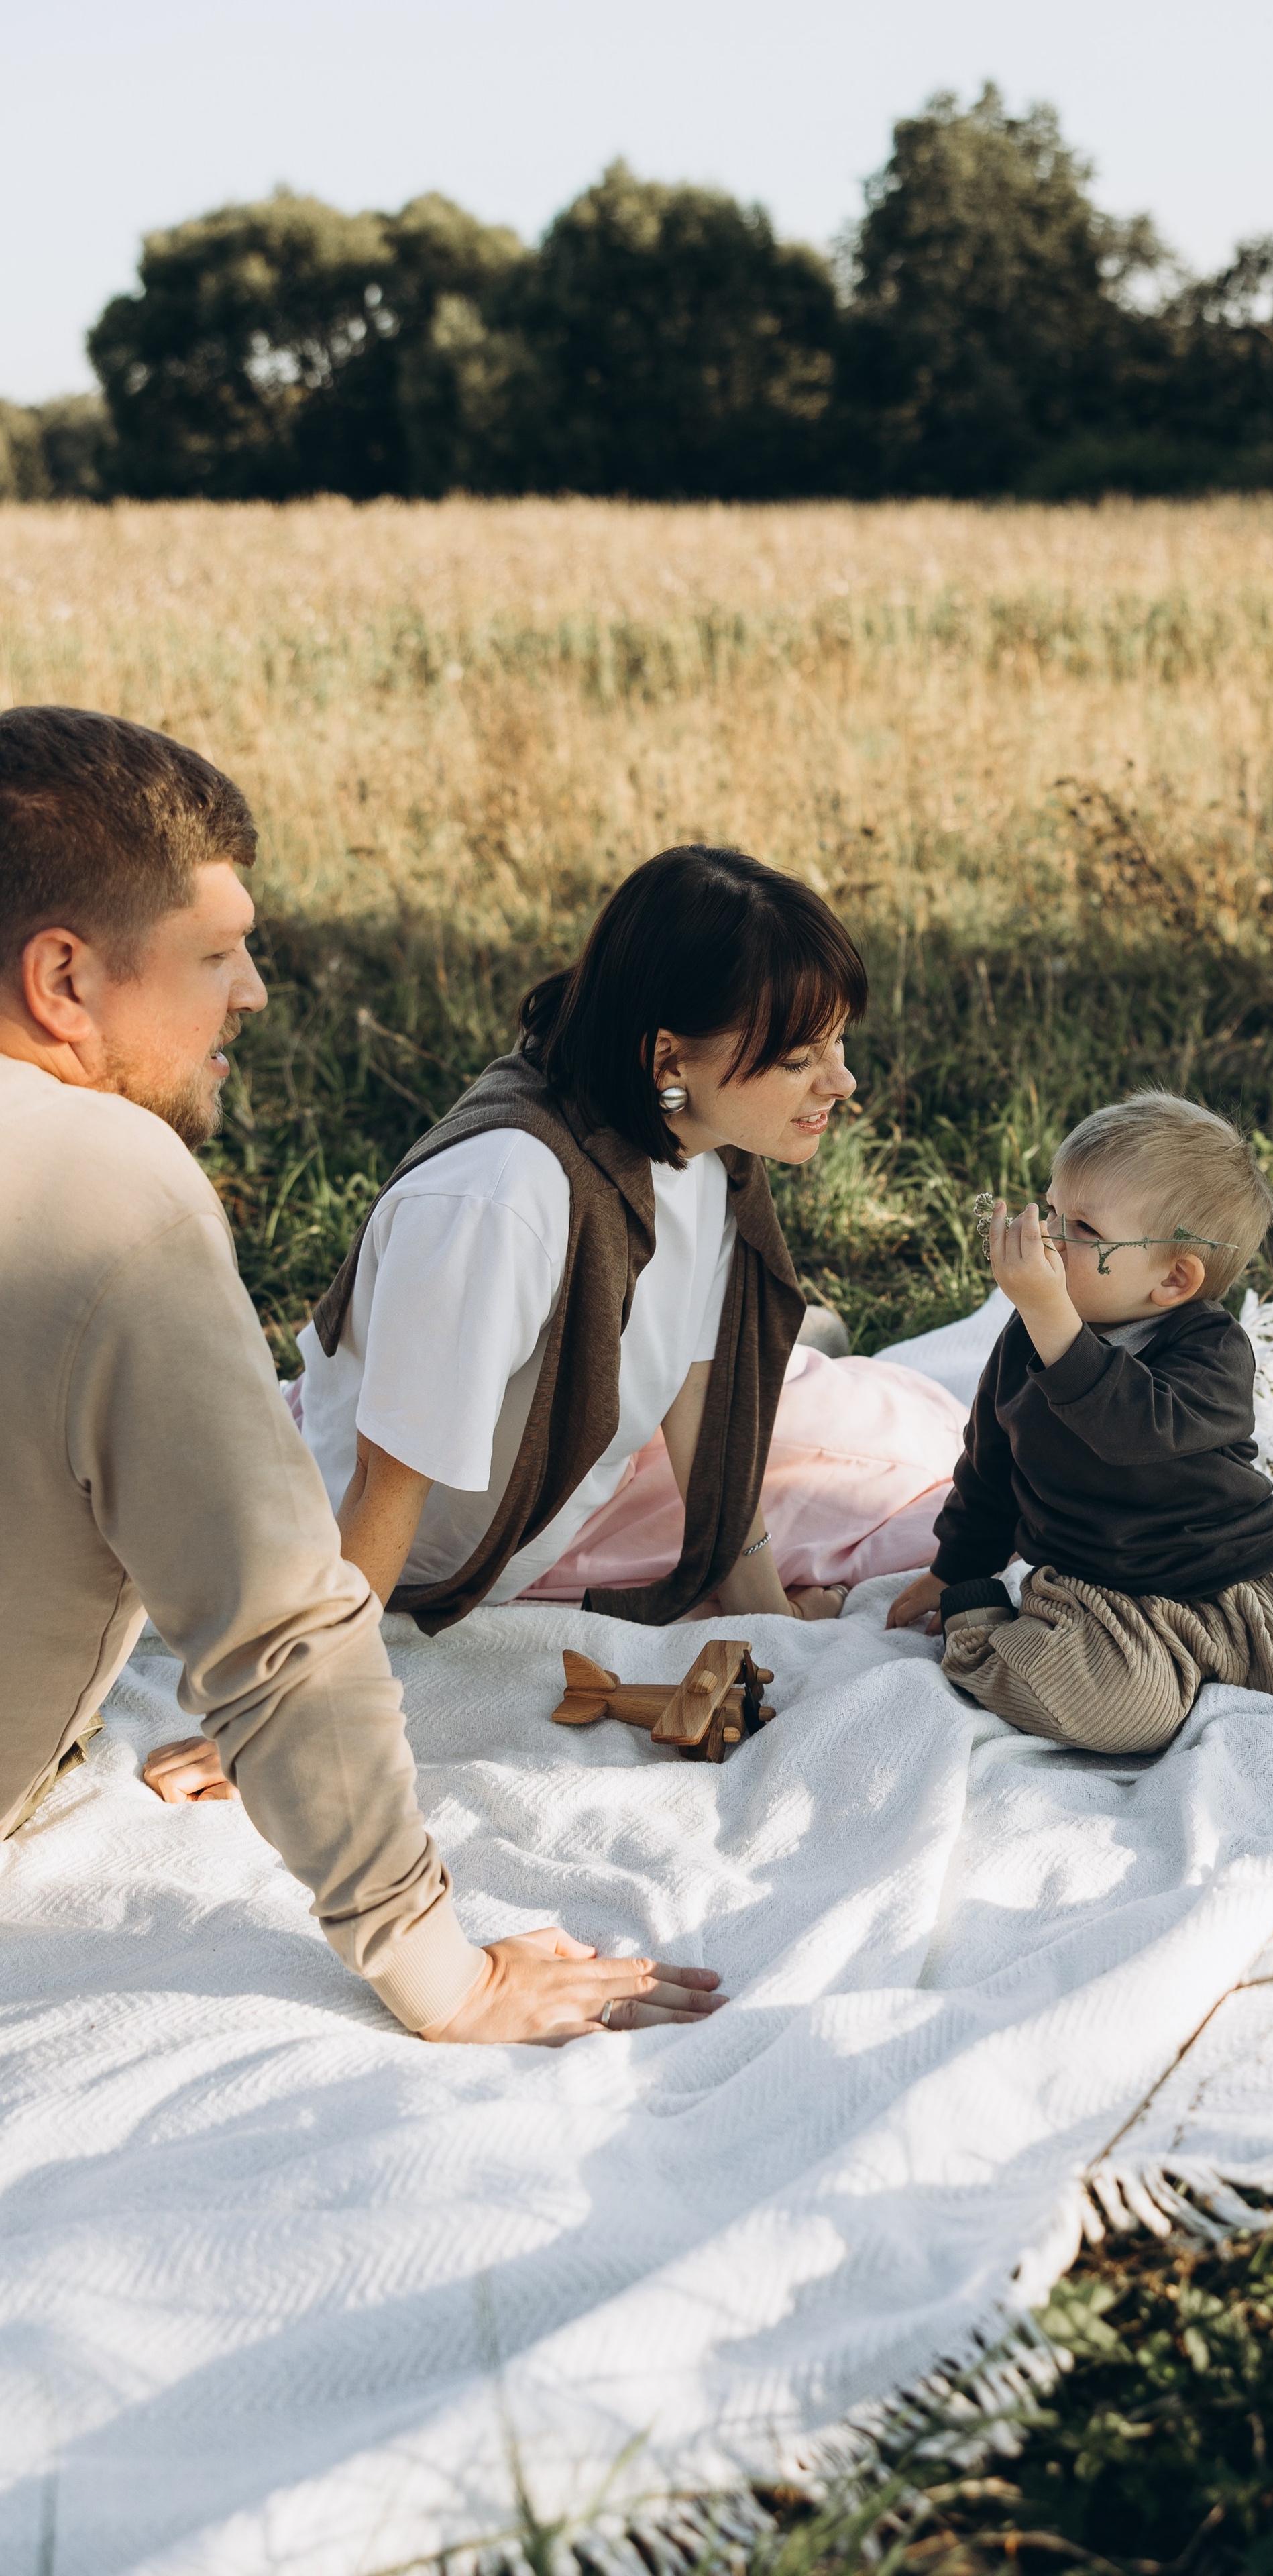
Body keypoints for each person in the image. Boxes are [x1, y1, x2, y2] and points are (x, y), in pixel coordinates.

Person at [0, 704, 724, 2045]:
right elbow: (280, 1635)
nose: (254, 993)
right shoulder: (107, 1191)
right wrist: (446, 1973)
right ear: (63, 982)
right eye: (216, 954)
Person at [283, 845, 915, 1631]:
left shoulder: (698, 1144)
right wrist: (291, 1703)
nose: (842, 1082)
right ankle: (815, 1359)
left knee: (923, 1434)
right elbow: (386, 1481)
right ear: (666, 1057)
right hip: (449, 1548)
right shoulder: (499, 1202)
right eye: (798, 1059)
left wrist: (764, 1618)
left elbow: (696, 1392)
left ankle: (811, 1355)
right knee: (926, 1498)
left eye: (837, 1043)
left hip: (593, 1458)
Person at [886, 1091, 1273, 1753]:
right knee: (1118, 1718)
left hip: (1239, 1570)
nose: (1049, 1238)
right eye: (1051, 1209)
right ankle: (982, 1630)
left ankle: (1225, 1653)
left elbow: (1134, 1430)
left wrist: (1051, 1319)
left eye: (1081, 1229)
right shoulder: (1028, 1340)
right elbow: (991, 1466)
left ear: (1173, 1279)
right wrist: (956, 1571)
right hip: (1100, 1589)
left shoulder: (1214, 1350)